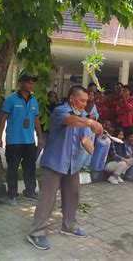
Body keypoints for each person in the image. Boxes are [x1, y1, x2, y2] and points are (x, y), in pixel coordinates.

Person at [28, 85, 103, 250]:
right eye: (82, 100)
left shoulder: (82, 115)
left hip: (72, 165)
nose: (85, 103)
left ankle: (69, 225)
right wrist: (89, 121)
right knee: (48, 199)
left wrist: (98, 155)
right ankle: (36, 233)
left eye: (86, 100)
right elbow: (70, 122)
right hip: (55, 163)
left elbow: (84, 140)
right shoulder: (60, 111)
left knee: (73, 195)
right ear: (71, 99)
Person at [0, 75, 43, 205]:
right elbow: (2, 119)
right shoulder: (11, 100)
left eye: (32, 83)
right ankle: (12, 195)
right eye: (28, 82)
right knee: (12, 168)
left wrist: (39, 137)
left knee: (30, 168)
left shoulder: (34, 101)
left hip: (29, 141)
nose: (31, 85)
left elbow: (36, 120)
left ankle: (30, 191)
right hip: (14, 141)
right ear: (20, 83)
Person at [79, 89, 100, 167]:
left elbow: (97, 115)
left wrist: (94, 116)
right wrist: (87, 116)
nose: (91, 97)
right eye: (89, 95)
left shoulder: (94, 105)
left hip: (92, 128)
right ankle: (80, 165)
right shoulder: (82, 104)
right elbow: (79, 115)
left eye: (92, 95)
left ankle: (86, 165)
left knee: (91, 145)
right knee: (83, 147)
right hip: (83, 127)